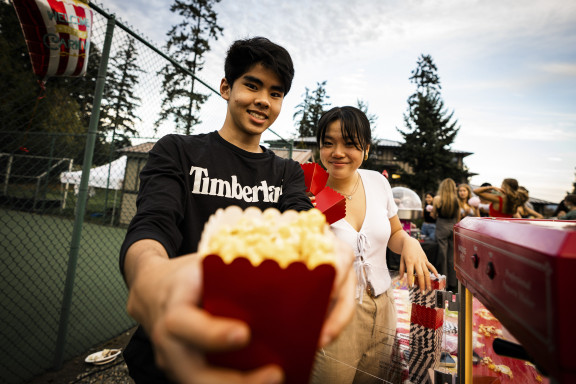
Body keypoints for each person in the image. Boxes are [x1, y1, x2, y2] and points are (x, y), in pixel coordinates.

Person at [119, 37, 356, 384]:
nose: (263, 100)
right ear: (226, 87)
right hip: (171, 347)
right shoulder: (178, 151)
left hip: (259, 348)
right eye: (252, 85)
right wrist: (150, 276)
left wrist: (329, 255)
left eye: (275, 93)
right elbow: (152, 226)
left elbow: (305, 224)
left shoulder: (287, 172)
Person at [310, 106, 438, 384]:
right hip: (332, 315)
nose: (337, 152)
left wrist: (408, 242)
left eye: (349, 143)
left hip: (383, 308)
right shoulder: (308, 193)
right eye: (328, 143)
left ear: (366, 148)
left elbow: (394, 235)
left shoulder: (378, 182)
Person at [431, 178, 460, 292]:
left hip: (441, 226)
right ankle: (453, 283)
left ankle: (444, 282)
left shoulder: (438, 199)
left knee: (442, 255)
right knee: (451, 256)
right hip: (452, 225)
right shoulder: (456, 200)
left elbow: (434, 215)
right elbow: (458, 217)